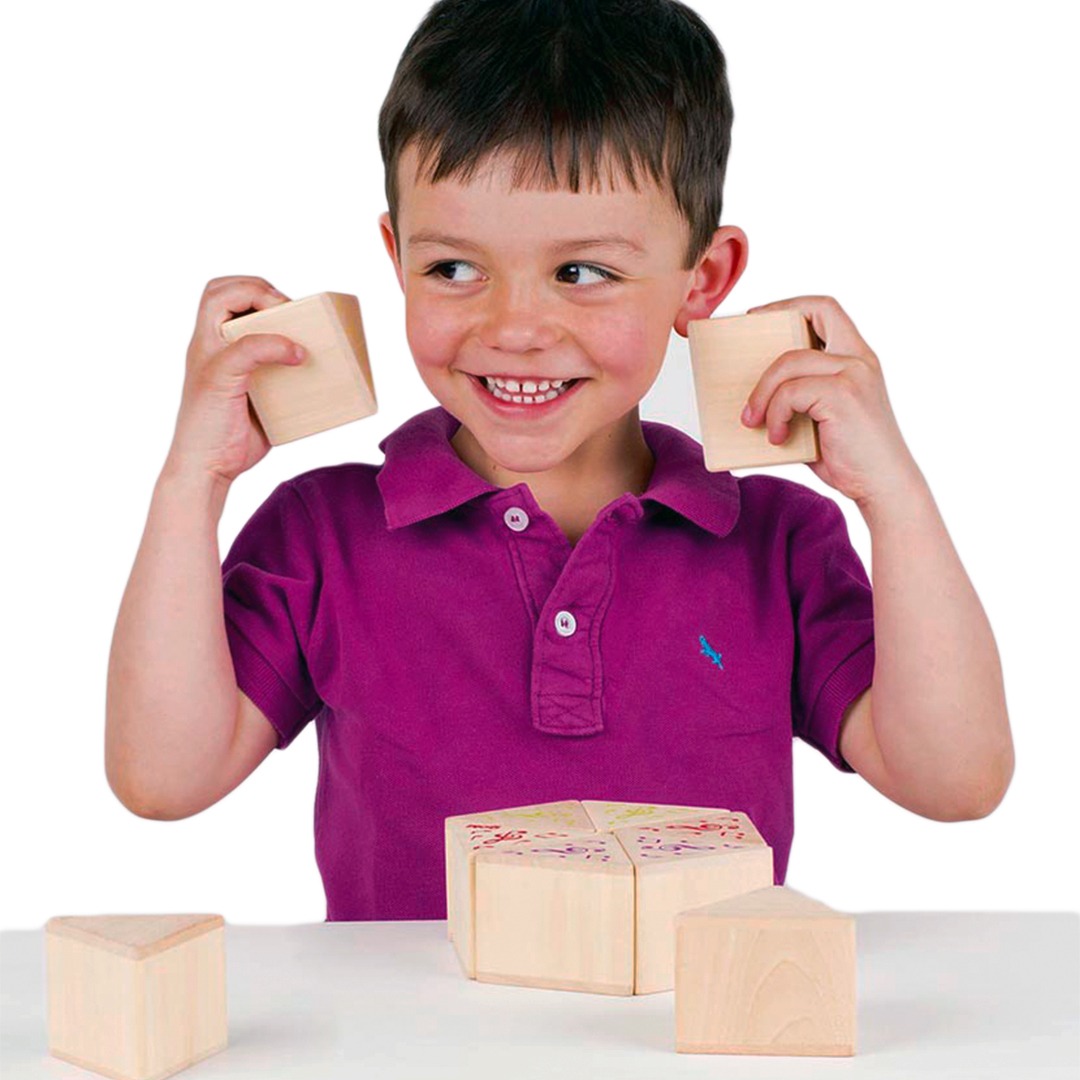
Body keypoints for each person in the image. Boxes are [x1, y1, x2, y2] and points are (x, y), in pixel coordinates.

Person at [105, 0, 1014, 921]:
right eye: (453, 269)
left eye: (582, 273)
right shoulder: (323, 534)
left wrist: (893, 495)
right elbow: (162, 779)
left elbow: (956, 781)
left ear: (702, 280)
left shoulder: (776, 542)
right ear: (396, 257)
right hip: (409, 1019)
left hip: (693, 1016)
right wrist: (192, 481)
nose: (515, 329)